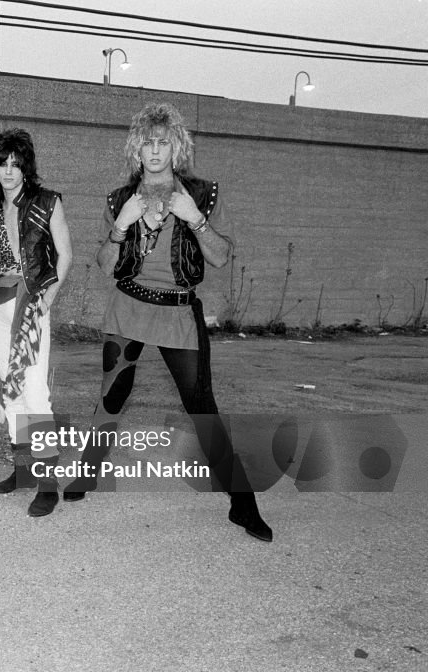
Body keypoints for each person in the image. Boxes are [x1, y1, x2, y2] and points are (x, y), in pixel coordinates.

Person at [85, 102, 272, 542]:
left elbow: (223, 257)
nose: (154, 151)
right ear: (137, 149)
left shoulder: (202, 194)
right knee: (111, 397)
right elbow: (105, 264)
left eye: (162, 142)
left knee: (203, 410)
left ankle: (242, 505)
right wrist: (121, 227)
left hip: (177, 313)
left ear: (176, 147)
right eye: (147, 143)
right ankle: (84, 473)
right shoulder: (120, 199)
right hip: (128, 307)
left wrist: (196, 219)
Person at [0, 129, 74, 518]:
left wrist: (47, 299)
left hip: (33, 302)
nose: (9, 171)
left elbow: (65, 254)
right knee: (11, 387)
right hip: (0, 304)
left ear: (26, 167)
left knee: (35, 390)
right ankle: (22, 472)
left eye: (15, 164)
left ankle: (49, 485)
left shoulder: (47, 201)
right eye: (3, 164)